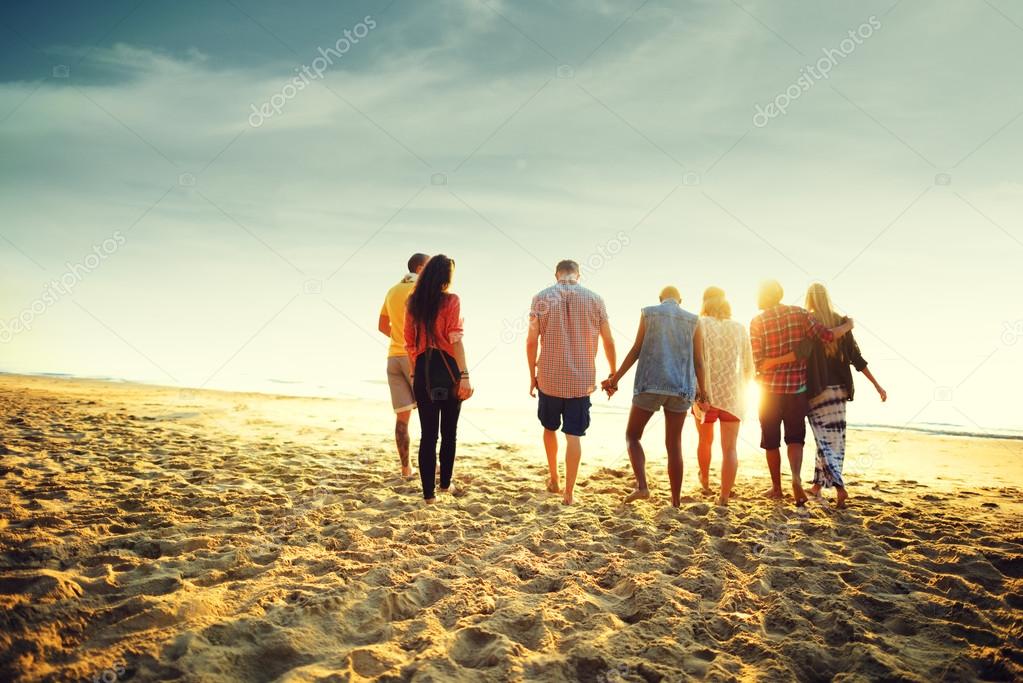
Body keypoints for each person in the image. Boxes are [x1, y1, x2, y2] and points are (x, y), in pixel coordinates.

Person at [760, 283, 886, 508]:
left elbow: (802, 352)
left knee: (822, 440)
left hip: (816, 390)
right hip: (840, 391)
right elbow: (856, 358)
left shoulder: (808, 321)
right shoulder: (841, 322)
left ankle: (839, 487)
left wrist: (770, 363)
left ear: (809, 298)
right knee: (834, 440)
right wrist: (877, 385)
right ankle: (818, 486)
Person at [750, 279, 853, 506]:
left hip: (768, 392)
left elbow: (759, 361)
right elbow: (826, 335)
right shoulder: (800, 314)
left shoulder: (757, 322)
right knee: (795, 438)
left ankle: (777, 487)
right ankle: (795, 477)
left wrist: (772, 363)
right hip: (797, 390)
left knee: (771, 441)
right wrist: (847, 326)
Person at [526, 259, 616, 506]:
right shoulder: (595, 299)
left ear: (557, 275)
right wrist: (613, 372)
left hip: (549, 377)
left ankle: (554, 478)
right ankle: (569, 493)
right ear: (579, 275)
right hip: (581, 380)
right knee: (574, 435)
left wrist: (530, 376)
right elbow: (608, 340)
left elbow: (531, 341)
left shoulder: (540, 298)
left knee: (549, 427)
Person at [602, 286, 697, 507]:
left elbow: (636, 350)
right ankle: (675, 502)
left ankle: (643, 486)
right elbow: (698, 359)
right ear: (680, 300)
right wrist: (702, 391)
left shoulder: (649, 312)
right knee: (674, 444)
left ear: (660, 298)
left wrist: (615, 379)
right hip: (681, 388)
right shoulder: (693, 320)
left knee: (633, 436)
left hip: (650, 384)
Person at [404, 255, 473, 504]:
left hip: (423, 371)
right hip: (448, 369)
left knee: (428, 434)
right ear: (446, 277)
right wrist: (464, 375)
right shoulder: (451, 301)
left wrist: (415, 374)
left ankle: (428, 496)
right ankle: (445, 485)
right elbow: (456, 340)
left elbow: (409, 344)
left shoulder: (413, 302)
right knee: (449, 433)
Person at [691, 287, 754, 506]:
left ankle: (706, 479)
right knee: (730, 448)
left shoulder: (699, 323)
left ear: (705, 302)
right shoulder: (739, 328)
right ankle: (724, 496)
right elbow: (748, 368)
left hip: (705, 396)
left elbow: (694, 360)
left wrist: (697, 392)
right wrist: (740, 389)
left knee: (705, 441)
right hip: (732, 397)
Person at [378, 253, 428, 479]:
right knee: (430, 413)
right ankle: (431, 463)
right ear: (419, 267)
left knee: (402, 418)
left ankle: (406, 469)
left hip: (393, 358)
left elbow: (381, 325)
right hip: (414, 357)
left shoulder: (392, 290)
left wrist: (398, 337)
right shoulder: (422, 290)